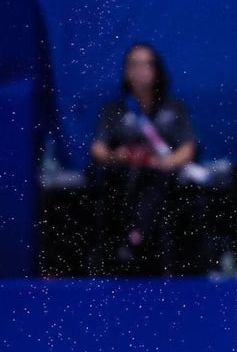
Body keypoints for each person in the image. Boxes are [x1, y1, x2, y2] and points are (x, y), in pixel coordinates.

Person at [88, 42, 207, 275]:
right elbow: (98, 149)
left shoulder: (174, 108)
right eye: (134, 64)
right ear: (126, 71)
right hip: (125, 177)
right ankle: (132, 239)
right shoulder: (115, 110)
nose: (140, 70)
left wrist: (165, 162)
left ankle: (135, 238)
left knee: (156, 179)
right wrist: (118, 156)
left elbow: (188, 148)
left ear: (157, 69)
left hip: (166, 177)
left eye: (146, 64)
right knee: (132, 181)